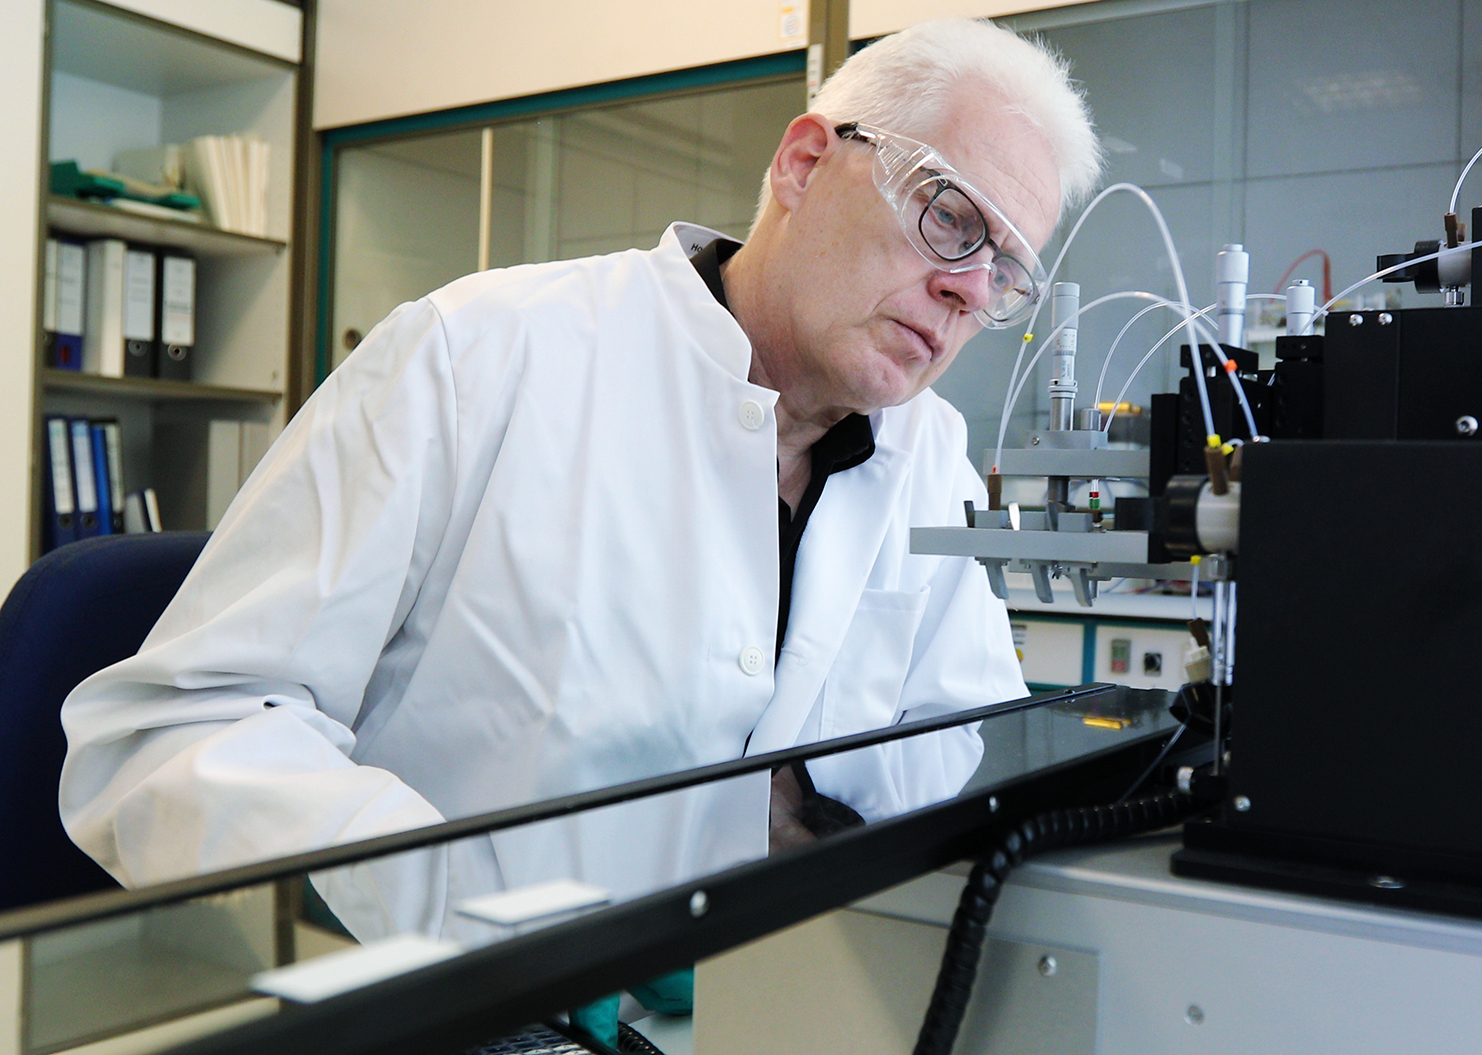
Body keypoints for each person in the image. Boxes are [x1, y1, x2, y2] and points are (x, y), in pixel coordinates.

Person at [58, 18, 1103, 941]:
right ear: (801, 164)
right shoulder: (475, 355)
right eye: (950, 218)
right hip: (467, 1009)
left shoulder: (928, 450)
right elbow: (180, 734)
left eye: (1005, 270)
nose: (968, 289)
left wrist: (811, 821)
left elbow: (964, 747)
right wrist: (470, 924)